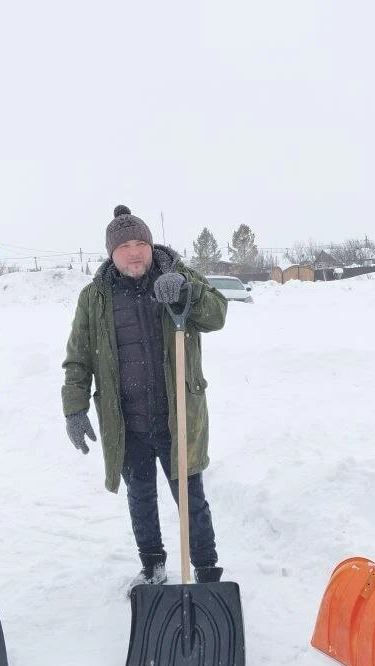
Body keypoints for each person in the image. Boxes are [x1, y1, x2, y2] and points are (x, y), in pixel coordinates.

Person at [62, 205, 228, 591]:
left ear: (152, 246)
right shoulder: (94, 298)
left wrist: (187, 291)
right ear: (111, 253)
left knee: (191, 499)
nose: (134, 252)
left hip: (177, 416)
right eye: (125, 246)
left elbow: (217, 314)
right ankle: (152, 564)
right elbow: (78, 358)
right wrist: (74, 408)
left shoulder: (178, 277)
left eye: (141, 243)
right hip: (126, 421)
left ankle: (206, 569)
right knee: (140, 498)